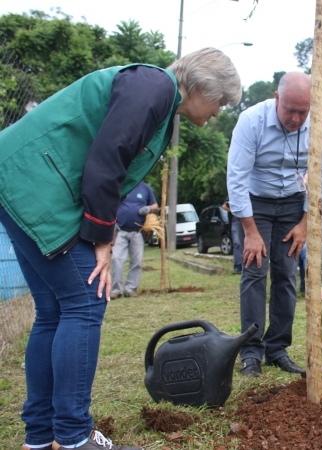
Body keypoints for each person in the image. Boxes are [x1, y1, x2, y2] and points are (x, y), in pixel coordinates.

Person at [0, 48, 241, 450]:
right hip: (34, 186)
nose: (218, 113)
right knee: (84, 303)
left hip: (20, 182)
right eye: (221, 103)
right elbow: (106, 159)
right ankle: (75, 437)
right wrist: (102, 238)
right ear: (202, 87)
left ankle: (41, 438)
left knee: (53, 311)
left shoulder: (158, 97)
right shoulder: (154, 87)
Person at [227, 72, 322, 377]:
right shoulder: (251, 121)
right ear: (276, 98)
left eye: (303, 111)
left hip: (293, 205)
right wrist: (250, 231)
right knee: (255, 272)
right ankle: (250, 352)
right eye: (290, 110)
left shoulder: (319, 122)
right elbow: (236, 179)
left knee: (287, 275)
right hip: (255, 204)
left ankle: (277, 349)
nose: (297, 118)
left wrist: (304, 223)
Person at [110, 182, 158, 299]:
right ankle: (116, 290)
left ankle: (130, 289)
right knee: (116, 259)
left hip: (137, 232)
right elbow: (109, 203)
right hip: (120, 230)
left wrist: (148, 208)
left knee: (137, 261)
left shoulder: (145, 188)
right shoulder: (120, 185)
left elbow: (155, 206)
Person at [222, 196, 243, 274]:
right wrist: (235, 211)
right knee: (237, 243)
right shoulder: (233, 194)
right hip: (236, 222)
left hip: (250, 220)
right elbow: (224, 206)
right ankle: (238, 266)